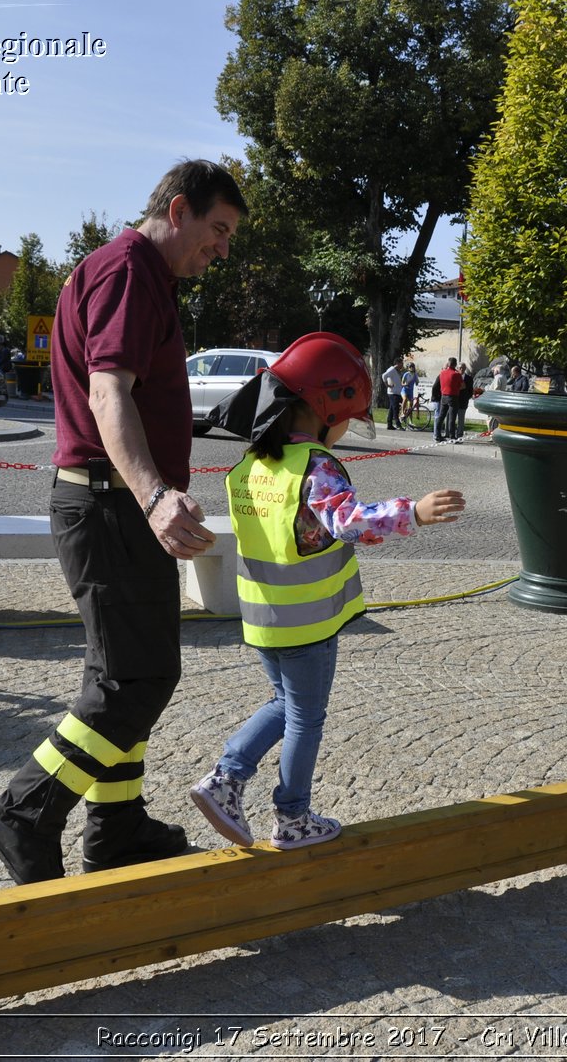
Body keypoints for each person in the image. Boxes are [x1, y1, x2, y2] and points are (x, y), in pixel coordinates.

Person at [0, 160, 244, 885]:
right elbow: (107, 393)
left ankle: (116, 826)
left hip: (113, 503)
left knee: (123, 672)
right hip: (111, 503)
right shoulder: (128, 270)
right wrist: (155, 495)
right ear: (178, 209)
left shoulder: (134, 273)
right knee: (135, 679)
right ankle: (23, 813)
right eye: (217, 230)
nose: (222, 250)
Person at [191, 332, 465, 850]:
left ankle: (226, 779)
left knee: (283, 702)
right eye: (346, 418)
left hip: (262, 615)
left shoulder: (253, 464)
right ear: (325, 407)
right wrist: (414, 513)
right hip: (307, 621)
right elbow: (348, 522)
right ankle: (289, 816)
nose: (344, 431)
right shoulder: (315, 465)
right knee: (306, 718)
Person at [435, 357, 462, 442]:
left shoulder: (442, 373)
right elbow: (462, 385)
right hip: (453, 396)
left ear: (448, 363)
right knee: (452, 417)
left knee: (441, 415)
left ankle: (437, 434)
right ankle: (452, 436)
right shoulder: (456, 374)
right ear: (455, 364)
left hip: (444, 396)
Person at [381, 358, 402, 430]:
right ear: (398, 363)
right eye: (401, 363)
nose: (402, 365)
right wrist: (387, 385)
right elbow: (383, 376)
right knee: (395, 409)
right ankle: (398, 424)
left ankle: (389, 425)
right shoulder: (392, 369)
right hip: (392, 393)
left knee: (392, 409)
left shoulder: (396, 370)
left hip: (396, 392)